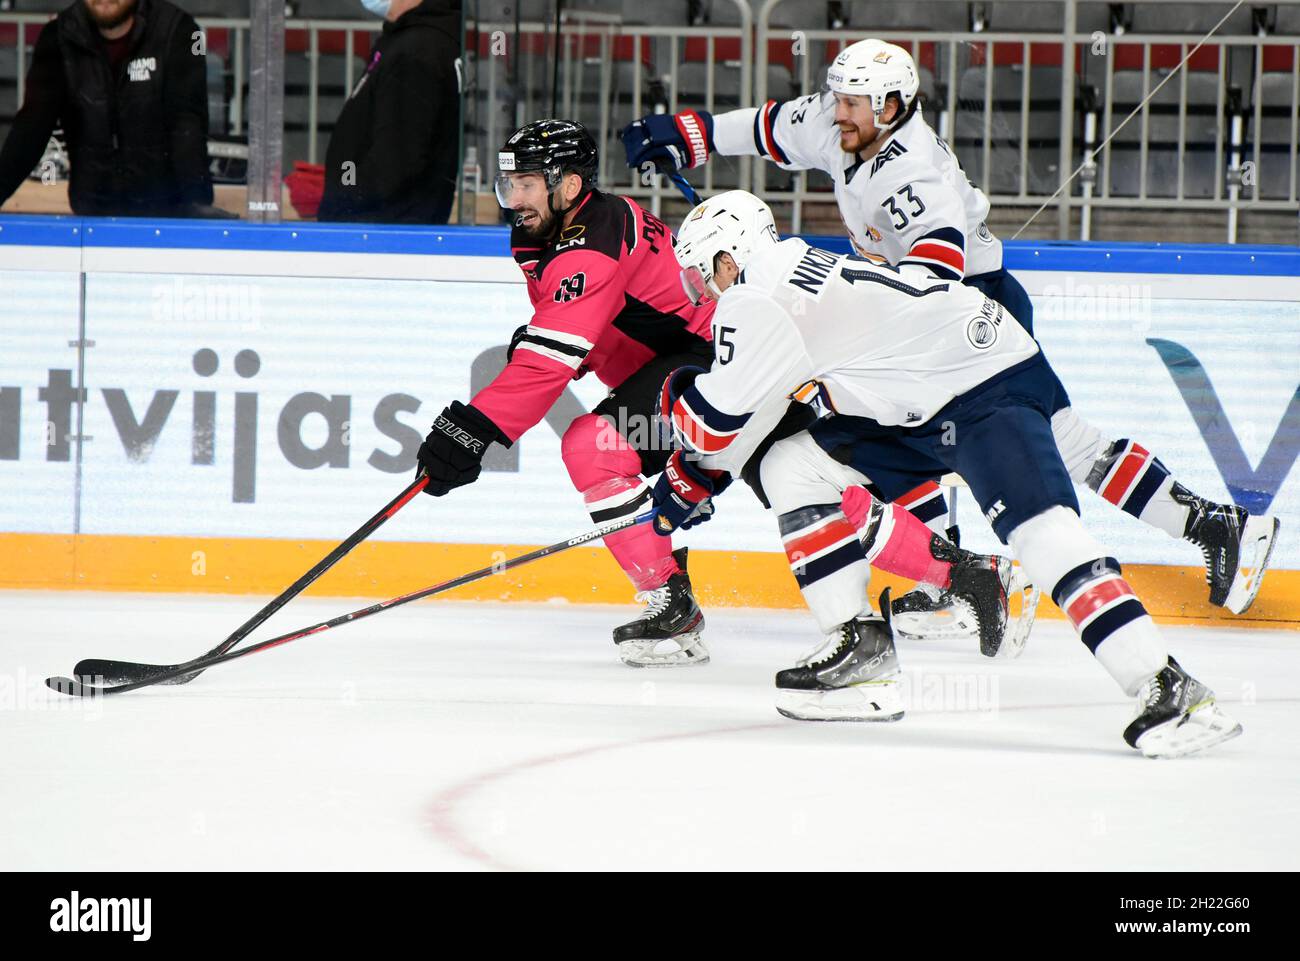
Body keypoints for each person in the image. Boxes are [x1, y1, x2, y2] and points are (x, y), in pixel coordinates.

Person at [623, 39, 1279, 619]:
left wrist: (839, 313)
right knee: (1055, 445)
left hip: (961, 313)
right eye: (839, 96)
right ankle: (1212, 527)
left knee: (891, 439)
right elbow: (768, 127)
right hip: (914, 320)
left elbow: (933, 279)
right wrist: (682, 133)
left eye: (853, 101)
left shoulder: (915, 173)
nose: (836, 110)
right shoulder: (840, 123)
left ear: (891, 107)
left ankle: (963, 579)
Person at [652, 189, 1242, 758]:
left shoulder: (750, 299)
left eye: (701, 273)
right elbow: (763, 411)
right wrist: (701, 474)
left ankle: (1167, 684)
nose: (701, 291)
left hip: (979, 389)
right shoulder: (793, 267)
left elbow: (715, 425)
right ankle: (862, 653)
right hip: (940, 387)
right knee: (793, 465)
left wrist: (682, 429)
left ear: (727, 258)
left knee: (1043, 533)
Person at [413, 119, 1021, 667]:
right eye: (508, 184)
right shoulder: (561, 232)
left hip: (717, 365)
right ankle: (966, 574)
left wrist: (473, 430)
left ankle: (672, 607)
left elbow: (553, 353)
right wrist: (553, 347)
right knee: (791, 479)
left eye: (525, 184)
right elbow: (583, 329)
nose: (512, 199)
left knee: (595, 446)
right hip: (709, 364)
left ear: (568, 186)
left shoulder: (589, 244)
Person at [0, 0, 213, 217]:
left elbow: (187, 126)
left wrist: (198, 205)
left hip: (166, 219)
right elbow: (30, 129)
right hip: (91, 219)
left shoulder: (178, 29)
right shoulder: (58, 36)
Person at [317, 0, 462, 224]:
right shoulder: (411, 40)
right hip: (385, 226)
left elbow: (395, 163)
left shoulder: (416, 51)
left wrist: (340, 199)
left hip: (383, 233)